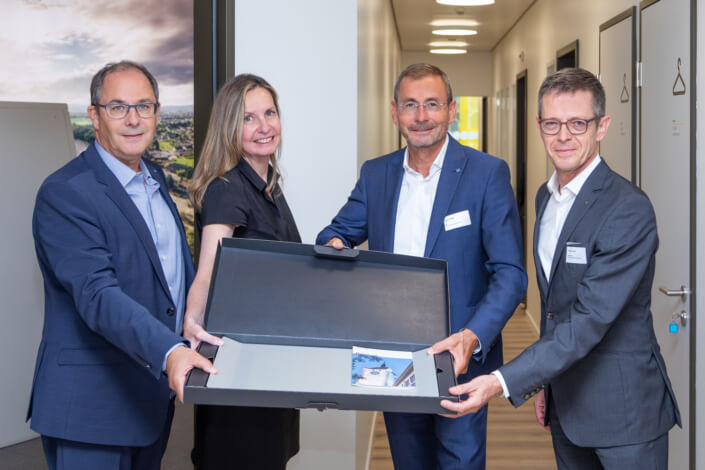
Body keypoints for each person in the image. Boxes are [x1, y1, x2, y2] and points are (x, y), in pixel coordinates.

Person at [436, 68, 681, 469]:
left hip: (625, 416)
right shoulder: (544, 199)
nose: (563, 136)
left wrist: (501, 381)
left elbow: (589, 320)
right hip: (567, 407)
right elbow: (555, 309)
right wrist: (548, 385)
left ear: (601, 127)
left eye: (577, 123)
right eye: (552, 123)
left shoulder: (627, 209)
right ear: (539, 126)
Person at [316, 63, 527, 469]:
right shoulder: (376, 174)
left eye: (432, 104)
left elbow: (511, 274)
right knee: (408, 460)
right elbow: (335, 232)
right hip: (392, 356)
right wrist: (337, 245)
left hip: (460, 355)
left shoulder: (486, 174)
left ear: (452, 110)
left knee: (460, 461)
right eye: (410, 105)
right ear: (394, 113)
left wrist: (471, 337)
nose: (421, 116)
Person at [27, 61, 216, 470]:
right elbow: (97, 294)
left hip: (148, 401)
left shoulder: (156, 179)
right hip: (90, 410)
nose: (133, 119)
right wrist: (169, 350)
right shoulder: (65, 193)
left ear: (157, 113)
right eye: (117, 107)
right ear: (94, 115)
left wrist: (191, 322)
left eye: (143, 106)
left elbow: (166, 278)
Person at [185, 73, 300, 470]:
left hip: (272, 363)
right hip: (239, 371)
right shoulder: (228, 189)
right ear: (229, 127)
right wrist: (194, 328)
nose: (264, 126)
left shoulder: (270, 185)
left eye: (269, 113)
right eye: (248, 118)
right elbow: (208, 274)